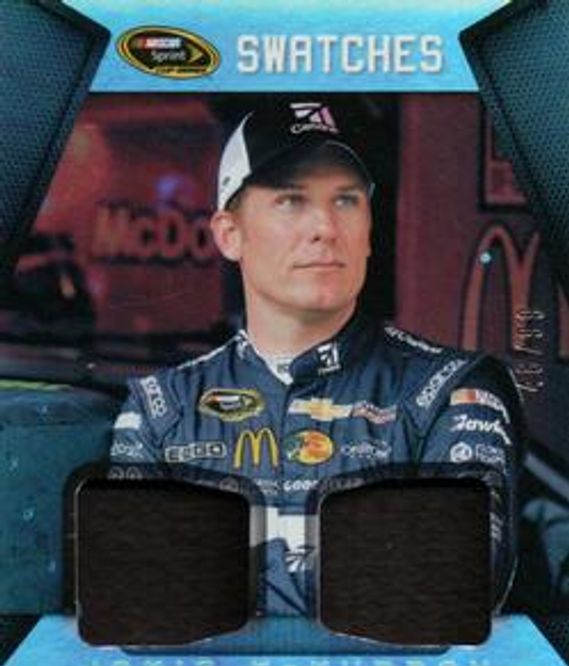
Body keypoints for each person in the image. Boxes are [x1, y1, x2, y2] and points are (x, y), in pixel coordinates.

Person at [111, 100, 523, 617]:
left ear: (369, 229)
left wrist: (215, 569)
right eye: (291, 200)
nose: (325, 227)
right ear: (229, 234)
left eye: (346, 200)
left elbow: (455, 579)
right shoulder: (160, 406)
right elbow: (133, 595)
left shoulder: (450, 389)